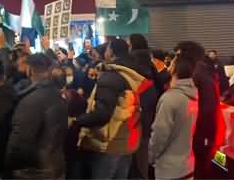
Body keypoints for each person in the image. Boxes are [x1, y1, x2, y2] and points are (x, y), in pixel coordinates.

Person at [71, 39, 144, 179]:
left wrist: (77, 121)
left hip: (110, 142)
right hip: (128, 137)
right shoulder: (133, 73)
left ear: (111, 52)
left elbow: (102, 114)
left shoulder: (111, 76)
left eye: (107, 49)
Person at [5, 53, 68, 179]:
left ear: (29, 70)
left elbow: (19, 143)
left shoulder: (31, 101)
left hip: (34, 172)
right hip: (54, 166)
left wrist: (9, 164)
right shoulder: (57, 94)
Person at [175, 41, 221, 180]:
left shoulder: (195, 75)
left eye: (178, 56)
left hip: (199, 132)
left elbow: (203, 108)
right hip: (205, 131)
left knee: (199, 166)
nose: (175, 60)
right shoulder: (204, 71)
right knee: (204, 164)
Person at [149, 55, 199, 180]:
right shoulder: (194, 95)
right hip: (188, 165)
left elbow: (159, 135)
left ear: (174, 69)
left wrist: (150, 157)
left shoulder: (169, 98)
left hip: (169, 169)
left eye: (171, 63)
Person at [128, 34, 161, 179]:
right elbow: (159, 85)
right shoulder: (149, 62)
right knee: (144, 149)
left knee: (137, 152)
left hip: (136, 112)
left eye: (129, 43)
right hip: (150, 112)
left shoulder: (132, 62)